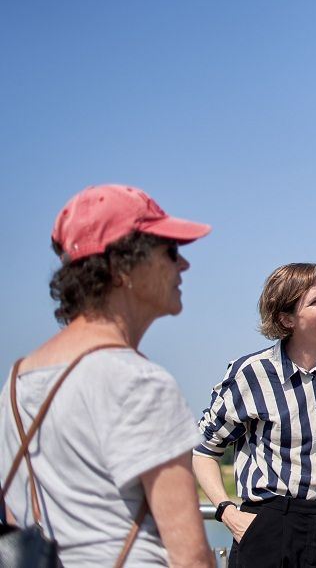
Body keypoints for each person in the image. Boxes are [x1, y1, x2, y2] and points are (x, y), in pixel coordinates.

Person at [0, 184, 214, 567]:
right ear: (120, 268)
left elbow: (19, 522)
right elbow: (192, 557)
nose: (183, 265)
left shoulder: (16, 382)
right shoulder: (141, 383)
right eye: (170, 251)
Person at [193, 263, 316, 568]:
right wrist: (228, 513)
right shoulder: (252, 374)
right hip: (270, 530)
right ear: (287, 319)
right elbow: (204, 450)